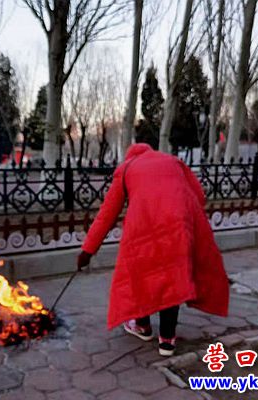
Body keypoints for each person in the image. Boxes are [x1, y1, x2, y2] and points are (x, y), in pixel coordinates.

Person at [76, 142, 229, 356]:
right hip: (178, 226)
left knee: (143, 277)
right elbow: (199, 195)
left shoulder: (127, 168)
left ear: (130, 157)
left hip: (142, 228)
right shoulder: (173, 162)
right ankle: (167, 340)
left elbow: (107, 214)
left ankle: (143, 326)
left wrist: (88, 251)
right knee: (173, 277)